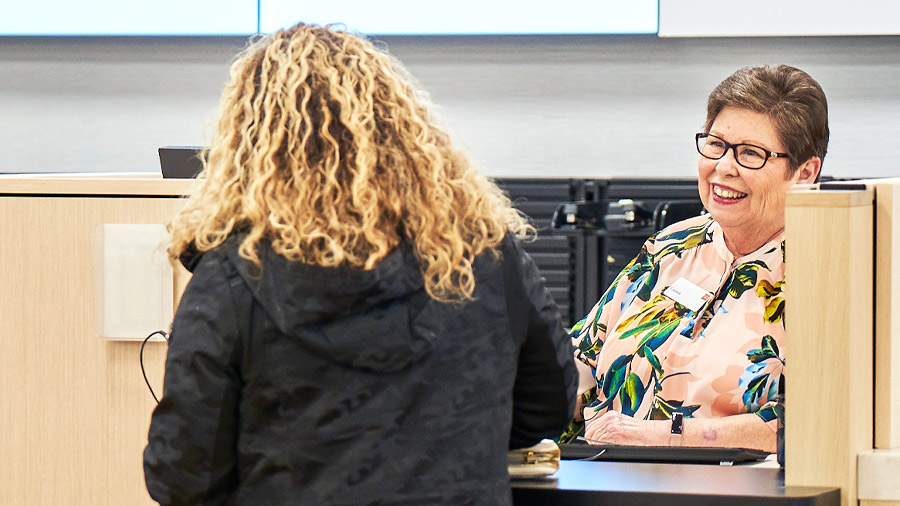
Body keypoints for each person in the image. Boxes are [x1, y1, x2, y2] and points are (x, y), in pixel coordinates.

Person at [143, 23, 577, 506]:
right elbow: (548, 406)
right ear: (401, 131)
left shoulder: (232, 275)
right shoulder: (483, 255)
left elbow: (184, 476)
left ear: (248, 146)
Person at [562, 64, 828, 453]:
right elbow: (584, 356)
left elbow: (816, 422)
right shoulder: (672, 246)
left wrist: (657, 436)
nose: (723, 167)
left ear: (804, 172)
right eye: (716, 144)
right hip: (603, 477)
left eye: (750, 154)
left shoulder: (830, 273)